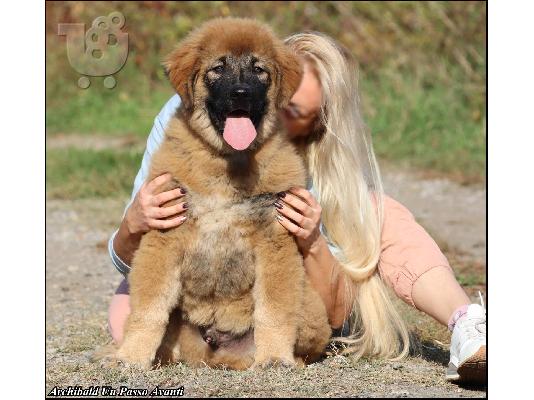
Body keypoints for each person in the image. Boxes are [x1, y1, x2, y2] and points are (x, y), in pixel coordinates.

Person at [107, 31, 486, 383]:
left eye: (295, 112)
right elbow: (131, 257)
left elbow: (331, 312)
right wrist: (133, 224)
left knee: (383, 213)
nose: (245, 95)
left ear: (319, 121)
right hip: (194, 290)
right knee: (125, 318)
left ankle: (468, 324)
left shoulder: (318, 168)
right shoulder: (188, 114)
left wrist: (311, 242)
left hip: (284, 298)